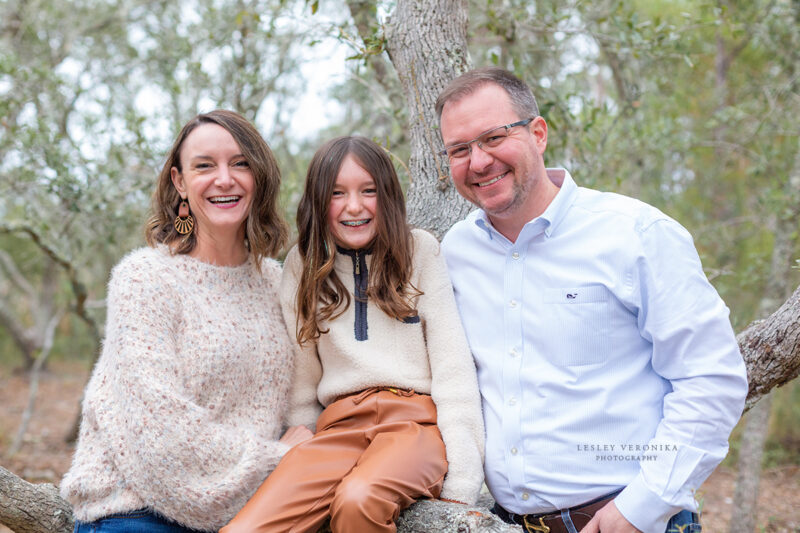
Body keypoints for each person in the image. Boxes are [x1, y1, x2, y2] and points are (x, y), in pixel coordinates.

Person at [435, 67, 748, 533]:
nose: (478, 162)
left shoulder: (636, 234)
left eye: (493, 138)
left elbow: (711, 378)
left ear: (538, 134)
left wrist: (642, 508)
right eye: (459, 149)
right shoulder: (455, 253)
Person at [60, 110, 312, 533]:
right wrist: (277, 457)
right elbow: (162, 441)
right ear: (179, 182)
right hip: (138, 512)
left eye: (240, 163)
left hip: (253, 513)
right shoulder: (145, 279)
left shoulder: (277, 281)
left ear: (259, 176)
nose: (224, 179)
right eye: (204, 166)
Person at [221, 136, 485, 533]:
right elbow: (302, 380)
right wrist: (302, 447)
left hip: (414, 425)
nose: (355, 206)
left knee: (359, 500)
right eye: (337, 193)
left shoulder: (420, 251)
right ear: (317, 202)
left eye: (369, 191)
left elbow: (453, 369)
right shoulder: (302, 264)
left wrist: (463, 479)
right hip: (338, 428)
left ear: (388, 196)